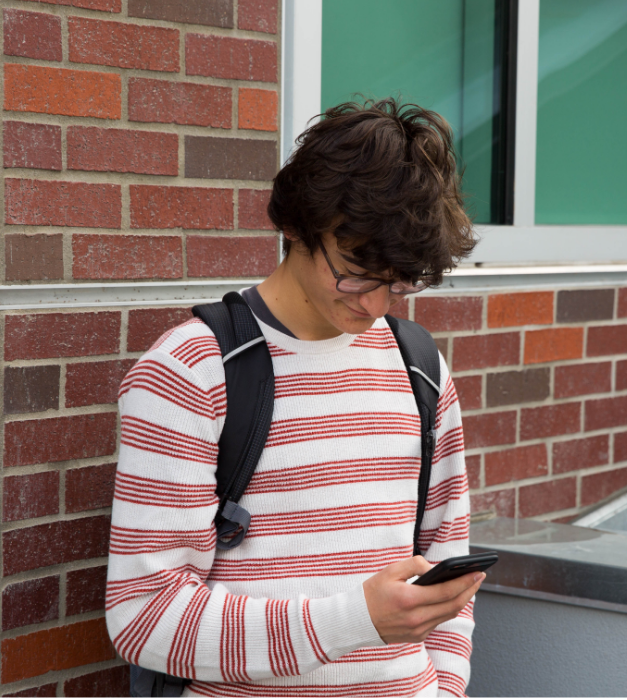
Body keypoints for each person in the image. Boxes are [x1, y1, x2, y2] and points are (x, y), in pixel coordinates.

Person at [105, 99, 480, 697]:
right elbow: (144, 618)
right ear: (297, 225)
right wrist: (353, 621)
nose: (375, 303)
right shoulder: (191, 371)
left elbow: (447, 569)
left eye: (399, 282)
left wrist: (445, 689)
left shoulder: (420, 366)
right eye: (356, 267)